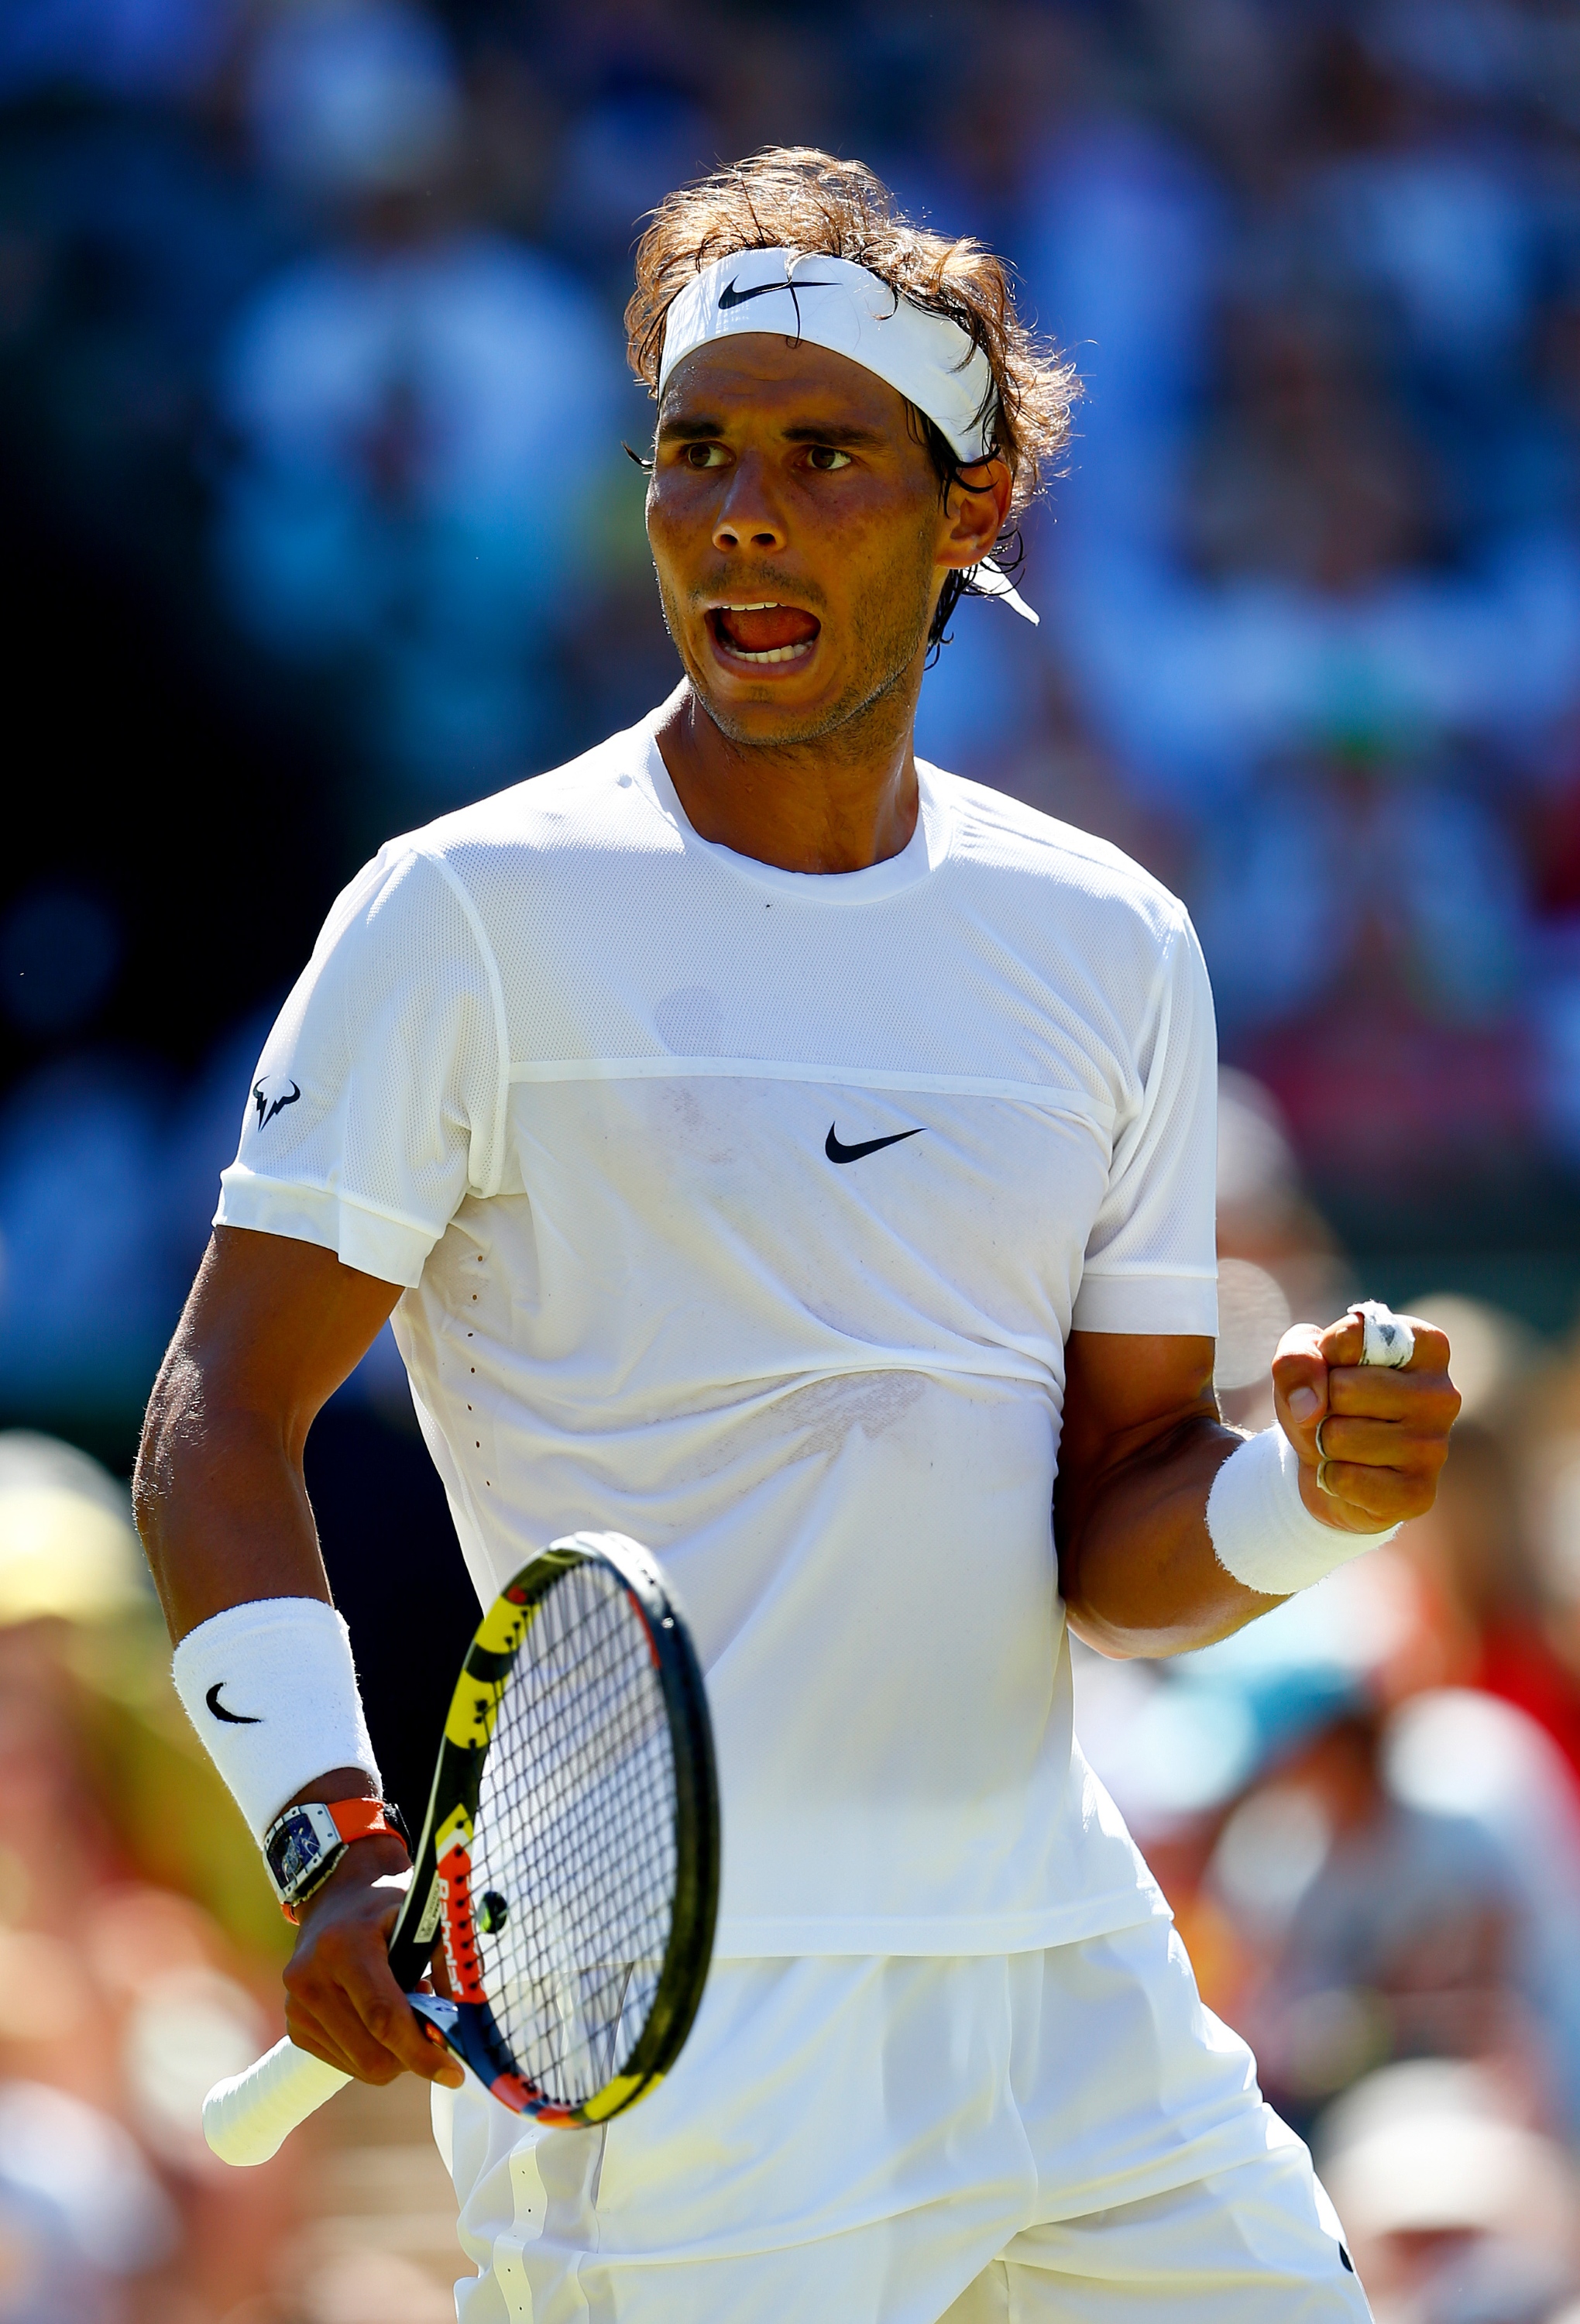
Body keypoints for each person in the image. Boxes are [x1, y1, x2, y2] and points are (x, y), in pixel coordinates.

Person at [135, 150, 1459, 2323]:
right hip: (667, 2023)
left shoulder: (1111, 939)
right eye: (693, 453)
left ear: (969, 516)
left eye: (821, 456)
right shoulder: (464, 912)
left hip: (1068, 1974)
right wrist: (334, 1839)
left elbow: (1115, 1528)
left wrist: (1310, 1496)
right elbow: (220, 1415)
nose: (737, 511)